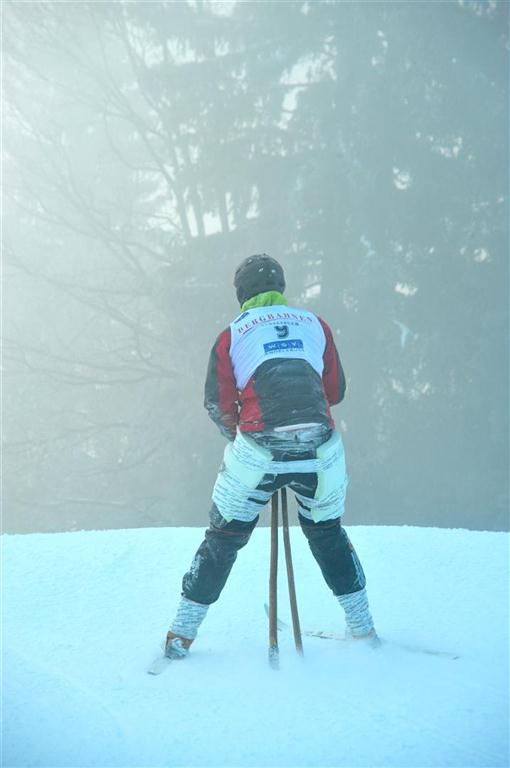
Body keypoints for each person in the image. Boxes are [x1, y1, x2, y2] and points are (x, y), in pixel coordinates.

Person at [164, 254, 378, 658]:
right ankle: (363, 629)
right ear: (281, 288)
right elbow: (334, 391)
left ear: (241, 293)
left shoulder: (232, 334)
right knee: (327, 534)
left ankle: (181, 635)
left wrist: (241, 435)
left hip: (258, 449)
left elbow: (218, 402)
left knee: (223, 538)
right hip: (320, 448)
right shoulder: (315, 324)